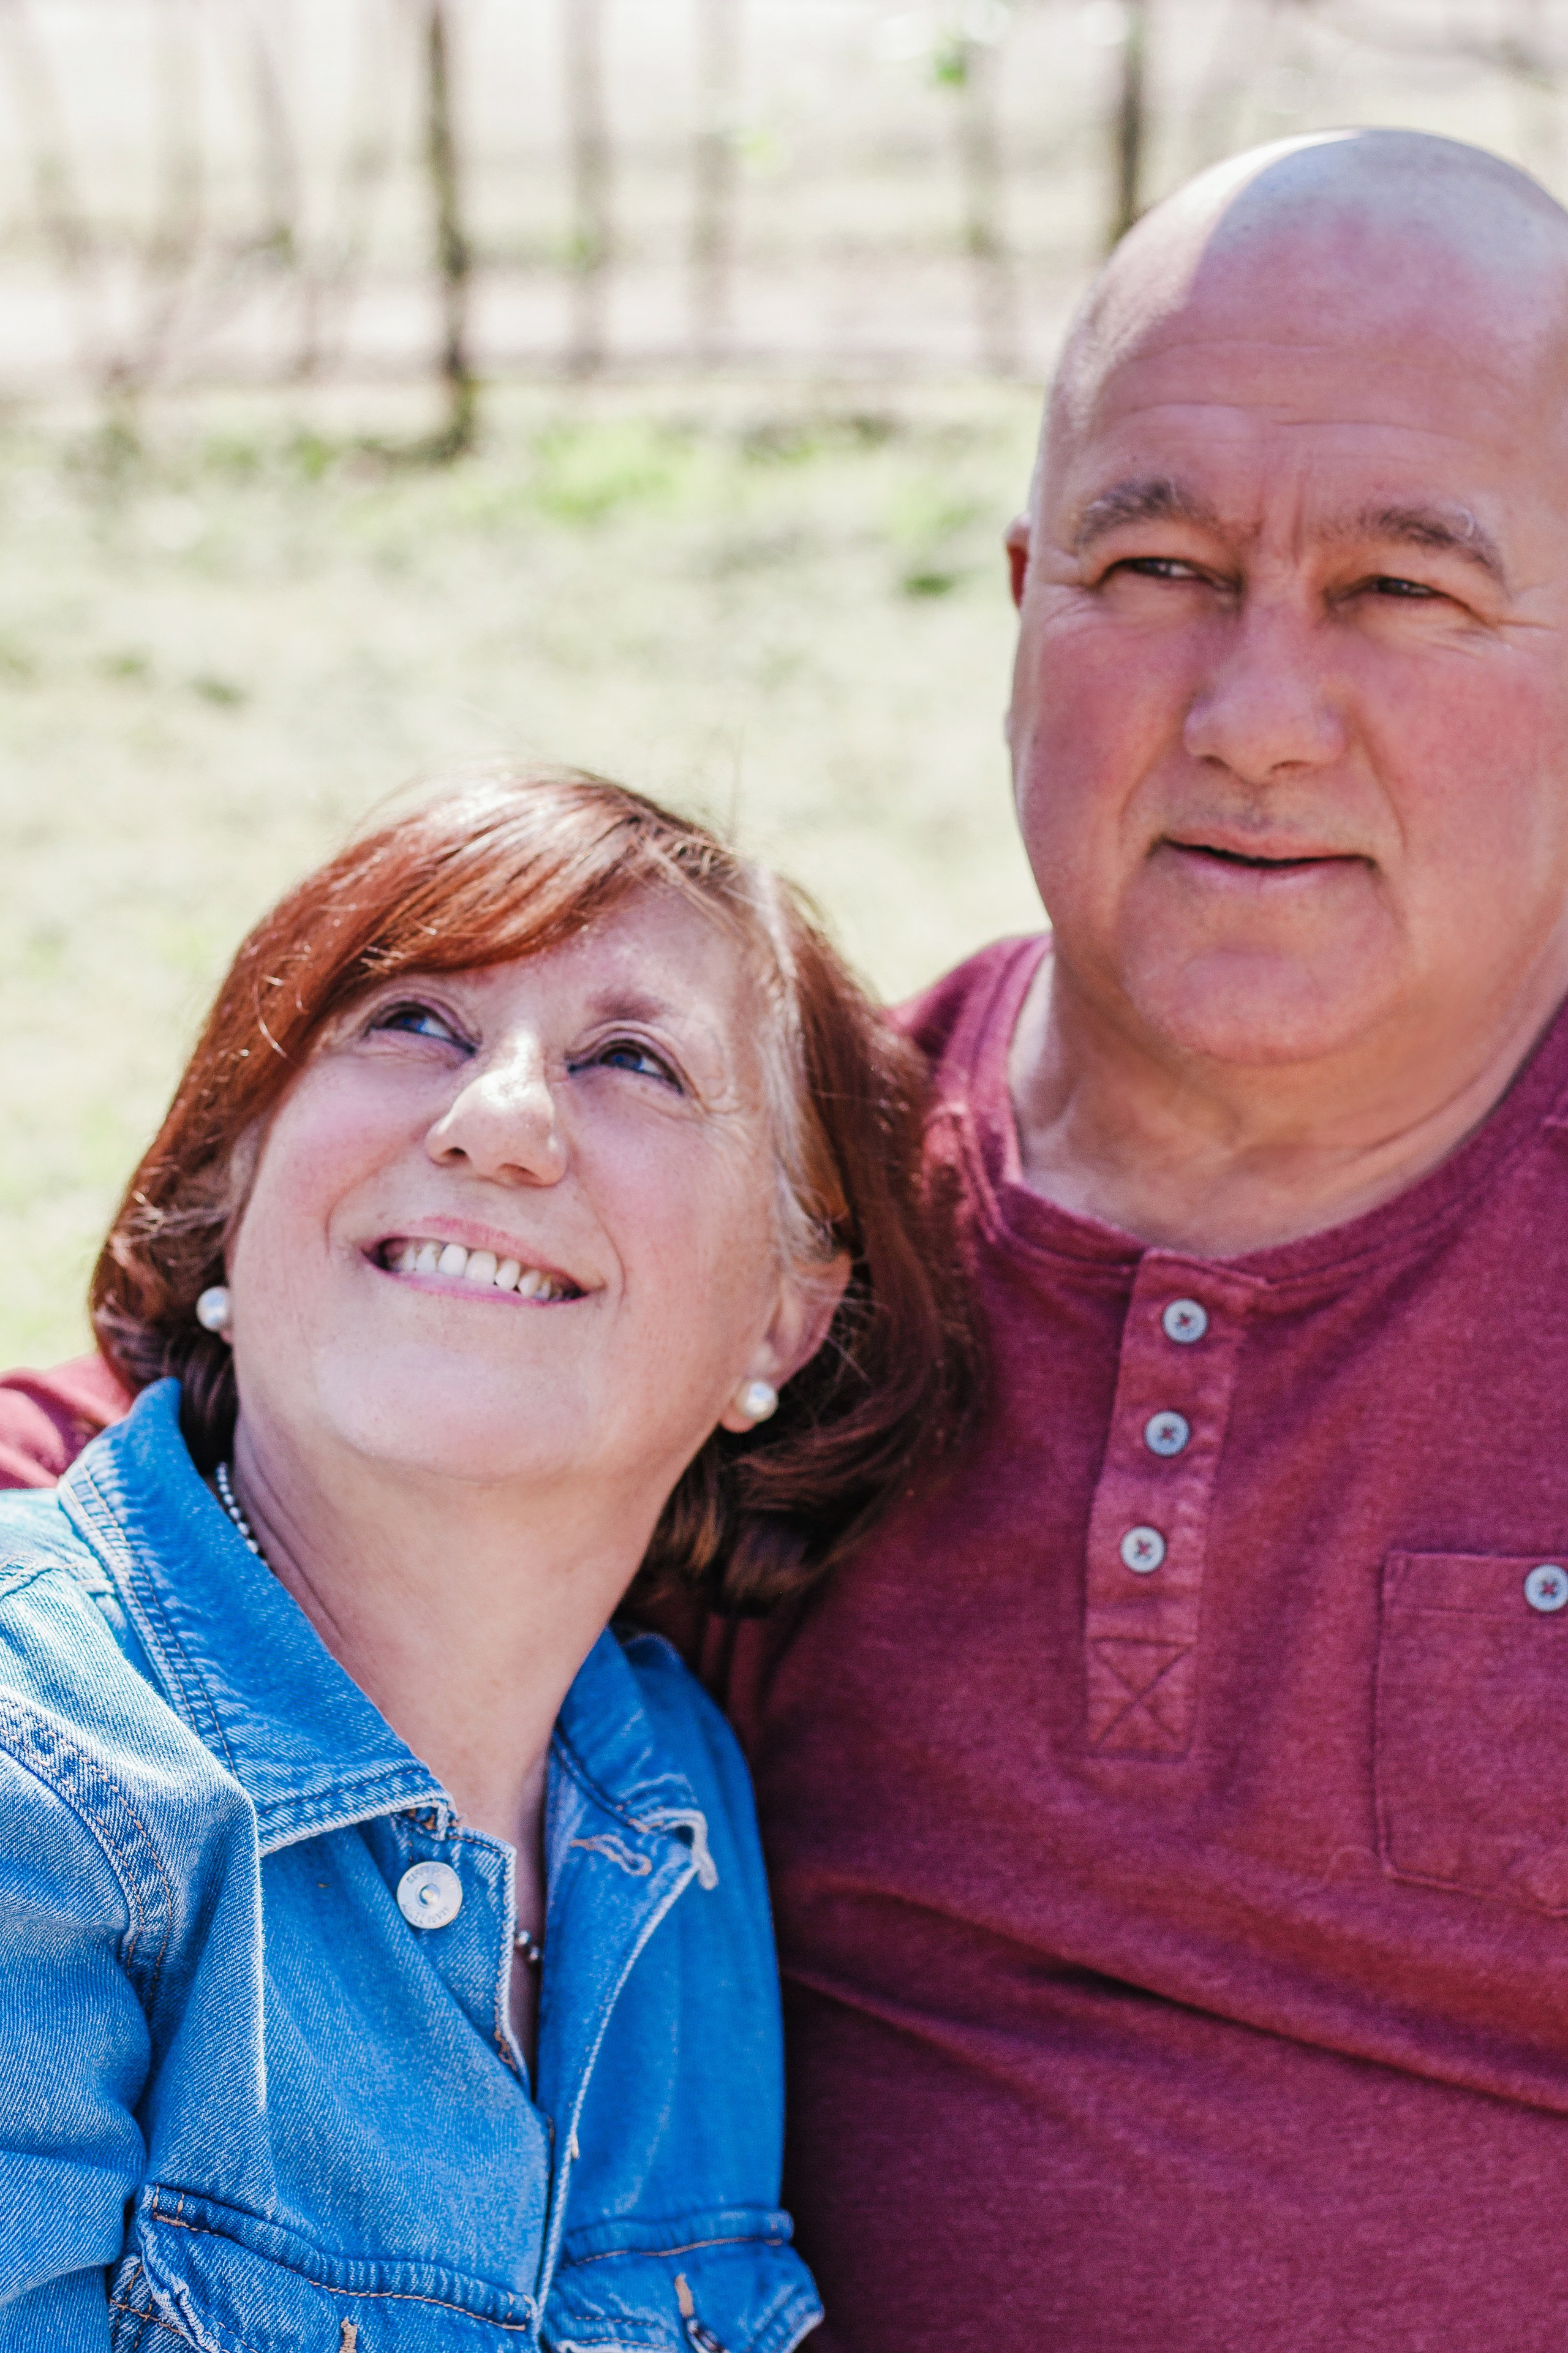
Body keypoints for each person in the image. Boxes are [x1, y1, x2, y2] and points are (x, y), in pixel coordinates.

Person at [13, 121, 1568, 2353]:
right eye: (1157, 567)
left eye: (1403, 590)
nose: (1254, 713)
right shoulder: (781, 1215)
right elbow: (233, 1423)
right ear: (1023, 604)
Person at [0, 771, 969, 2350]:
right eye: (413, 1027)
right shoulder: (38, 1780)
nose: (500, 1119)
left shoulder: (678, 1814)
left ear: (784, 1320)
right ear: (229, 1184)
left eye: (632, 1061)